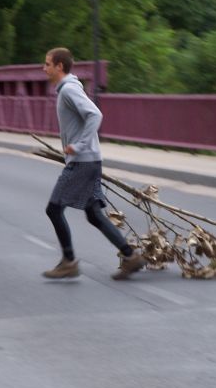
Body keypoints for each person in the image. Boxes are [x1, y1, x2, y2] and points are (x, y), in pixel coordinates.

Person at [42, 47, 146, 280]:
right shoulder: (68, 89)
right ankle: (130, 256)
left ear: (60, 66)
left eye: (47, 64)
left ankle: (69, 261)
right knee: (93, 213)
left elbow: (95, 114)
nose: (44, 68)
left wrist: (77, 146)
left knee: (54, 208)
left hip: (82, 161)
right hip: (89, 160)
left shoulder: (68, 90)